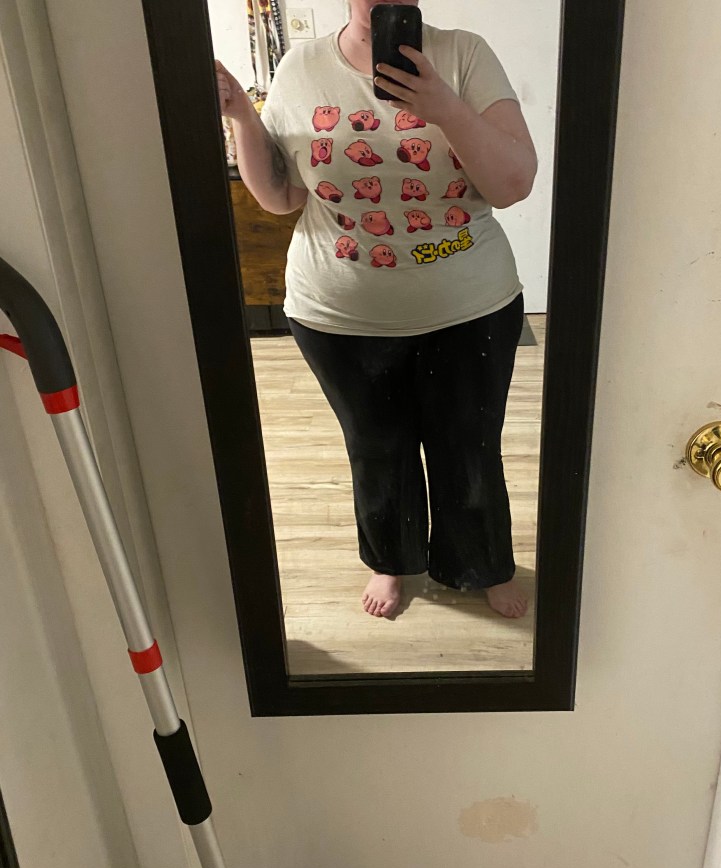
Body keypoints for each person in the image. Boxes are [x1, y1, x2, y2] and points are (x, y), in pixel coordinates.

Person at [217, 0, 537, 620]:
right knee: (376, 447)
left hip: (471, 307)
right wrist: (241, 117)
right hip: (337, 315)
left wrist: (445, 108)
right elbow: (281, 197)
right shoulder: (301, 68)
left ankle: (481, 563)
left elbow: (512, 185)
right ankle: (392, 560)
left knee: (468, 446)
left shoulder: (465, 55)